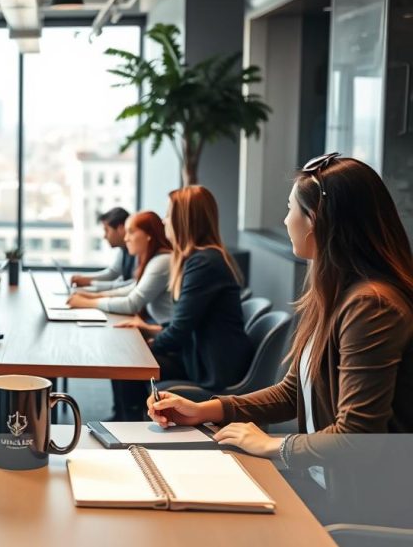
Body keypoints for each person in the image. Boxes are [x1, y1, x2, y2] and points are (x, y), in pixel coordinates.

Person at [147, 155, 413, 524]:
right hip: (323, 484)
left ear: (316, 222)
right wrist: (208, 409)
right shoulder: (335, 295)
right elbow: (293, 393)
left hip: (361, 506)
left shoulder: (371, 306)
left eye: (290, 209)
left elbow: (357, 437)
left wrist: (274, 444)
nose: (285, 221)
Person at [116, 186, 252, 417]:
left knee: (129, 359)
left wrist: (146, 346)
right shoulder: (204, 257)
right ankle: (127, 416)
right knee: (132, 355)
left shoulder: (203, 263)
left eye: (168, 214)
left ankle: (127, 420)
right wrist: (152, 329)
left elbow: (180, 332)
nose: (164, 220)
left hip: (211, 368)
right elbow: (186, 322)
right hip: (201, 355)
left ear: (183, 221)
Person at [67, 211, 174, 324]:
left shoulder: (161, 261)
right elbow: (134, 288)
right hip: (156, 325)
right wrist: (93, 296)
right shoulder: (153, 259)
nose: (126, 238)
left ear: (149, 235)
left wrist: (87, 303)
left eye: (131, 232)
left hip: (163, 330)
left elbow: (132, 304)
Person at [70, 207, 136, 290]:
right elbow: (113, 272)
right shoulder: (124, 250)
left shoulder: (138, 251)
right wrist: (85, 279)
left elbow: (134, 285)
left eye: (107, 230)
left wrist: (91, 283)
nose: (104, 236)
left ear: (121, 228)